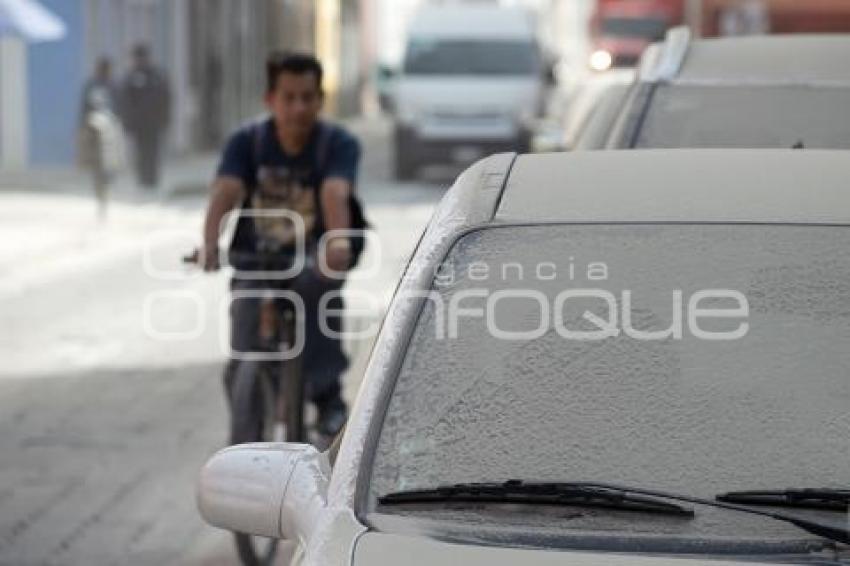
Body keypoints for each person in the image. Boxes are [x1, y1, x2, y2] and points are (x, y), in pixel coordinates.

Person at [199, 51, 360, 437]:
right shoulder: (247, 142)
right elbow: (226, 190)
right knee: (243, 341)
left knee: (319, 299)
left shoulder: (336, 143)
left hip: (313, 255)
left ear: (320, 100)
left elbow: (335, 193)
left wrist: (337, 247)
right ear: (270, 100)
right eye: (289, 97)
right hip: (255, 258)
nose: (299, 107)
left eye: (308, 97)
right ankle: (247, 411)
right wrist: (209, 243)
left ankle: (327, 398)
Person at [78, 57, 125, 218]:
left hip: (109, 129)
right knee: (97, 164)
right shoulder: (92, 85)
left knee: (109, 163)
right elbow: (84, 108)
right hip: (94, 130)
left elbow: (120, 107)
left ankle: (105, 187)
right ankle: (101, 190)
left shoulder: (113, 86)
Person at [121, 44, 170, 189]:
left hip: (154, 122)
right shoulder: (130, 77)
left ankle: (152, 179)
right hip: (138, 123)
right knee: (140, 151)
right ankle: (142, 179)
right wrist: (128, 122)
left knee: (153, 151)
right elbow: (126, 102)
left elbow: (165, 98)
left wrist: (165, 119)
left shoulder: (157, 75)